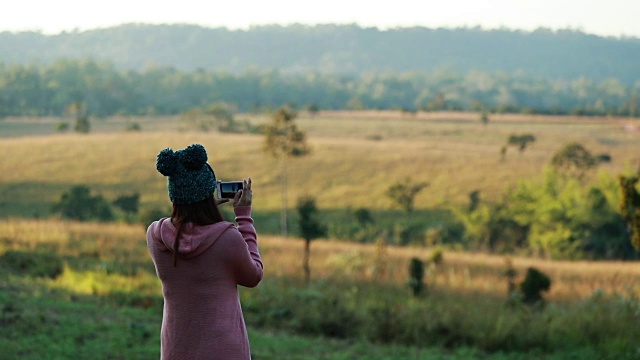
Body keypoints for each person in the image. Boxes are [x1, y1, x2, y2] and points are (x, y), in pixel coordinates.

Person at [146, 143, 263, 360]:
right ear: (209, 193)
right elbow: (253, 276)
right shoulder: (227, 237)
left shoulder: (155, 236)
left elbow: (185, 229)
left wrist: (200, 206)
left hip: (176, 350)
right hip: (224, 351)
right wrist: (244, 216)